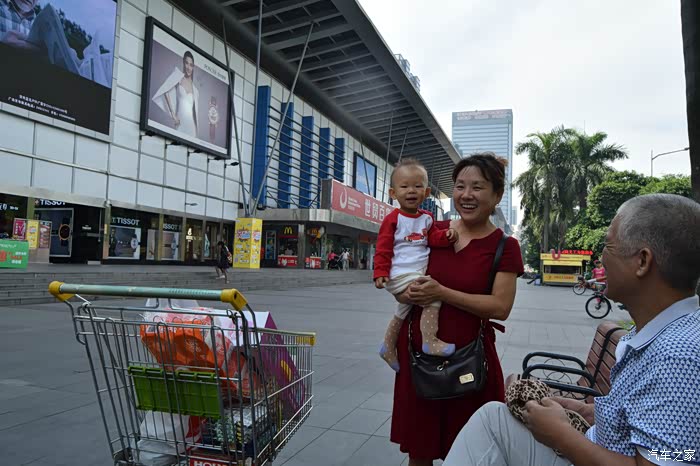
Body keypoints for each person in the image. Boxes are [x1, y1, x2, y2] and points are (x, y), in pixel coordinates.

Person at [443, 193, 700, 466]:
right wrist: (591, 414)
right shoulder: (662, 334)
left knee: (490, 425)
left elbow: (669, 459)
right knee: (493, 418)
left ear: (642, 262)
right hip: (594, 444)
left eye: (608, 246)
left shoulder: (677, 356)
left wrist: (561, 435)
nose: (601, 260)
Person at [391, 152, 524, 465]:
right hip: (420, 359)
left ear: (497, 196)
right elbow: (402, 264)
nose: (466, 195)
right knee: (420, 450)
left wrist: (442, 292)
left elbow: (500, 307)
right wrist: (402, 288)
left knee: (470, 452)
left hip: (469, 362)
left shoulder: (505, 246)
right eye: (460, 186)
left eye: (477, 187)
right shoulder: (433, 230)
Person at [374, 159, 458, 371]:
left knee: (402, 310)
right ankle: (429, 340)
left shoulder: (427, 218)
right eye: (404, 186)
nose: (411, 191)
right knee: (432, 296)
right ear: (393, 193)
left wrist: (446, 236)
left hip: (414, 273)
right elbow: (383, 247)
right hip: (400, 274)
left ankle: (387, 346)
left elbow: (433, 238)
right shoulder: (393, 219)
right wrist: (380, 271)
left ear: (427, 192)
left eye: (418, 186)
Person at [152, 50, 199, 139]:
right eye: (186, 63)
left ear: (193, 67)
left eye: (191, 65)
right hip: (180, 123)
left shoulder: (195, 90)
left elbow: (195, 113)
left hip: (192, 127)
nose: (188, 67)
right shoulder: (178, 78)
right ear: (183, 63)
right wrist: (173, 114)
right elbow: (165, 90)